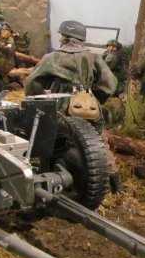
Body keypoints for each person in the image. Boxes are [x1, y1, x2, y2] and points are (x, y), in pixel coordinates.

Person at [25, 20, 121, 192]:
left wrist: (40, 98)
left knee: (50, 139)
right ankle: (116, 184)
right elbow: (110, 84)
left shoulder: (52, 58)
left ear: (65, 37)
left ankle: (50, 178)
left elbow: (32, 82)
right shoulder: (94, 57)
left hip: (60, 106)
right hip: (88, 106)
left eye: (61, 36)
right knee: (99, 142)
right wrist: (94, 98)